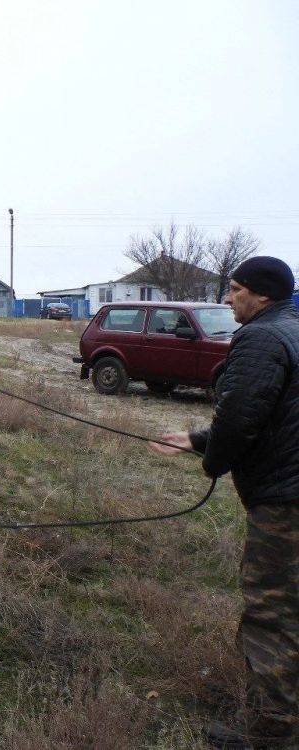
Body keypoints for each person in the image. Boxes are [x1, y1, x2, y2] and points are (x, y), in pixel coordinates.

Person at [150, 256, 298, 748]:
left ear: (261, 295)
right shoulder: (292, 332)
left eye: (235, 290)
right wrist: (196, 438)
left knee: (272, 613)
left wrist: (213, 461)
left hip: (285, 502)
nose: (228, 298)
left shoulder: (259, 338)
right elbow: (275, 411)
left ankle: (272, 733)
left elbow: (240, 418)